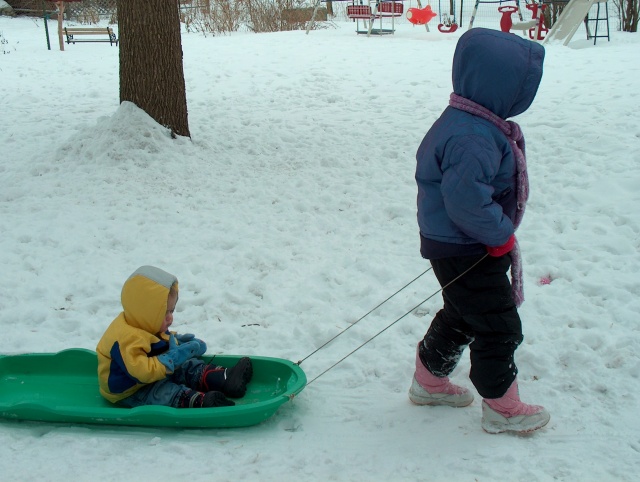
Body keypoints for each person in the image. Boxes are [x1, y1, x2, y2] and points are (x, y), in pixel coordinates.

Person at [410, 28, 550, 434]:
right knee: (497, 323)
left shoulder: (471, 121)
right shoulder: (473, 136)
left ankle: (429, 382)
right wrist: (499, 234)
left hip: (455, 242)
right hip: (466, 243)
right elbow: (466, 201)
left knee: (463, 313)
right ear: (501, 86)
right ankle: (502, 408)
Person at [97, 265, 253, 409]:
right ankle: (200, 401)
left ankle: (224, 378)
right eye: (165, 313)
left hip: (156, 371)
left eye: (171, 311)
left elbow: (158, 341)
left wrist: (179, 343)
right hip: (132, 389)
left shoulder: (144, 322)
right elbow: (142, 373)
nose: (170, 318)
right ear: (147, 313)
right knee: (164, 392)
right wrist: (172, 358)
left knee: (186, 365)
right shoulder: (125, 340)